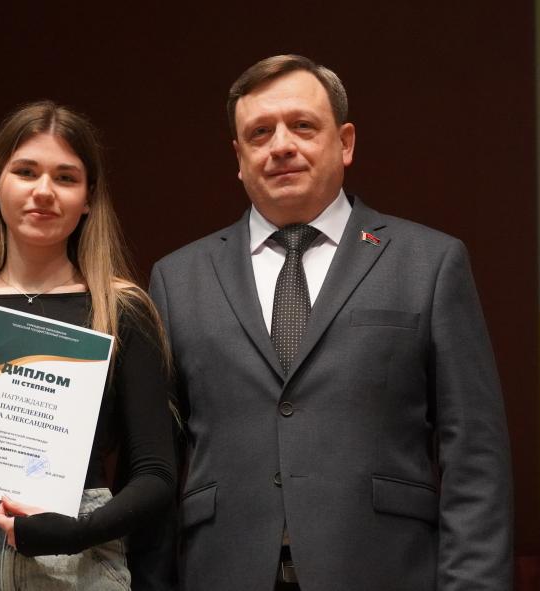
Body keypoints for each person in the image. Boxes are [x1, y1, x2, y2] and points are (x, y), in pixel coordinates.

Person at [149, 55, 512, 591]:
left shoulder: (429, 262)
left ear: (344, 142)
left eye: (302, 125)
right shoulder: (178, 279)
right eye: (259, 133)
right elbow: (155, 465)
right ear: (239, 158)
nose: (280, 146)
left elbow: (474, 454)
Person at [0, 100, 176, 590]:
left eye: (65, 178)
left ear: (88, 198)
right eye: (26, 172)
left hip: (80, 552)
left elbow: (156, 474)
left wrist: (77, 533)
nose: (43, 191)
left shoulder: (122, 310)